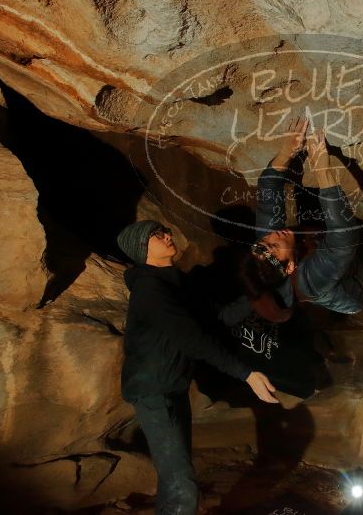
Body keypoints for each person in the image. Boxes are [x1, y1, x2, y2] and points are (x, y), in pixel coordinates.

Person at [116, 219, 279, 515]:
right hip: (153, 392)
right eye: (156, 235)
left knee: (174, 480)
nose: (166, 235)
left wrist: (262, 288)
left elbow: (220, 318)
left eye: (163, 230)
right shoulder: (149, 290)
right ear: (142, 249)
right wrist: (246, 374)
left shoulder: (178, 284)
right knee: (182, 484)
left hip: (173, 387)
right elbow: (192, 339)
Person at [240, 116, 363, 315]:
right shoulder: (313, 281)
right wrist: (323, 170)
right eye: (274, 246)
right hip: (350, 285)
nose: (272, 236)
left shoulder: (264, 251)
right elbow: (344, 237)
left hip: (311, 251)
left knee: (309, 213)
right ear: (289, 267)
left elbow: (268, 188)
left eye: (263, 243)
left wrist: (286, 151)